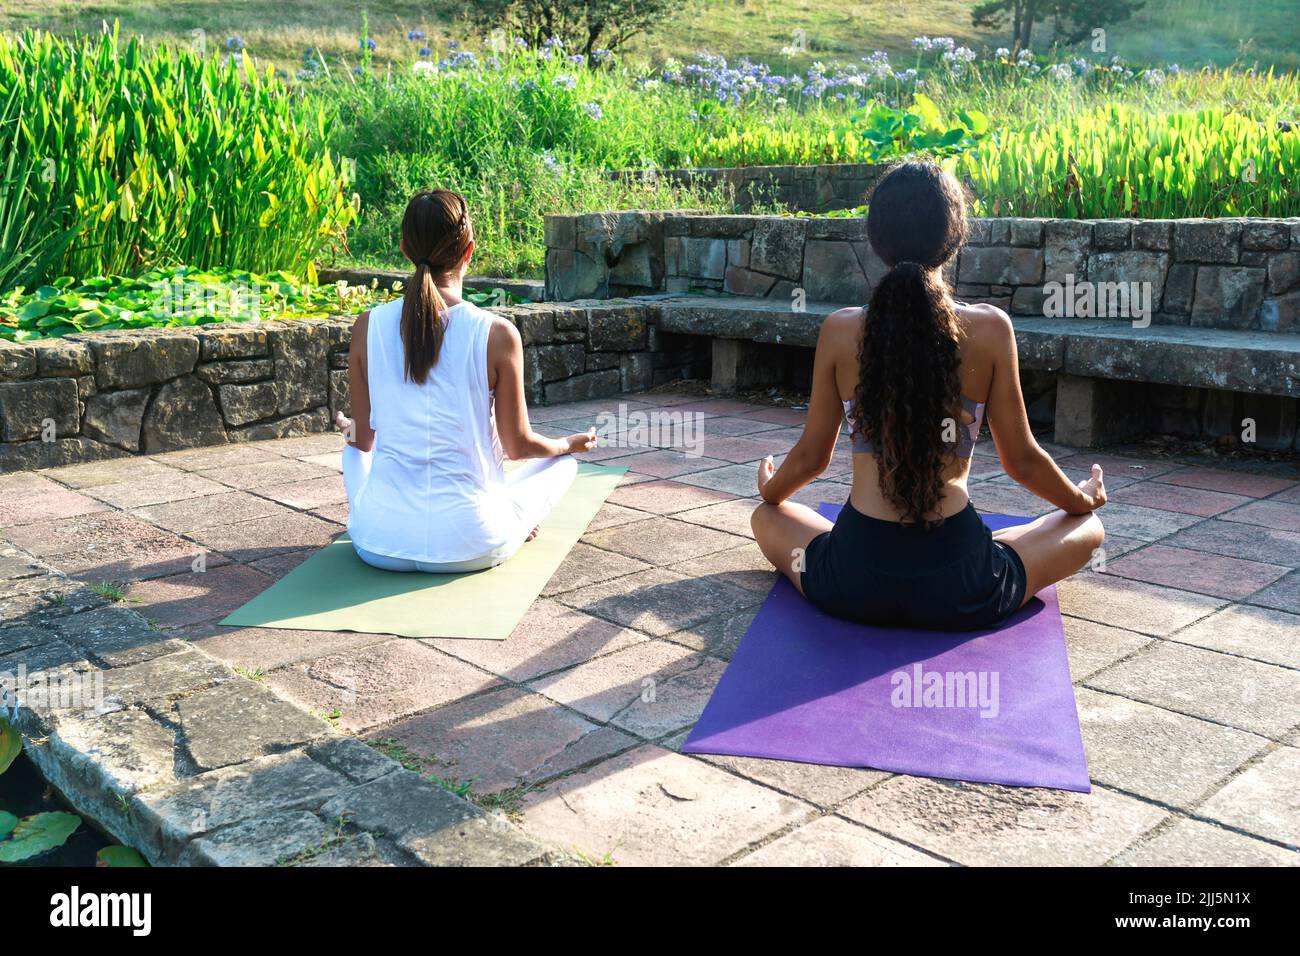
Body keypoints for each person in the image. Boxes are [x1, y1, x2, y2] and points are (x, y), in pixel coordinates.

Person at [750, 162, 1107, 631]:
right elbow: (1021, 460)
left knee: (766, 517)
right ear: (956, 237)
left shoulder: (839, 331)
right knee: (1088, 530)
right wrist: (1081, 501)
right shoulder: (990, 329)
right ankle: (1003, 545)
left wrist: (770, 489)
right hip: (961, 584)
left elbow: (812, 458)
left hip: (854, 582)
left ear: (877, 240)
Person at [336, 189, 596, 573]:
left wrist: (346, 429)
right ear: (469, 250)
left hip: (378, 543)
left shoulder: (365, 327)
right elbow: (519, 447)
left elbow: (362, 441)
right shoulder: (496, 333)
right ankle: (512, 519)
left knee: (353, 451)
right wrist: (565, 444)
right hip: (472, 544)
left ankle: (494, 513)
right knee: (563, 464)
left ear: (405, 250)